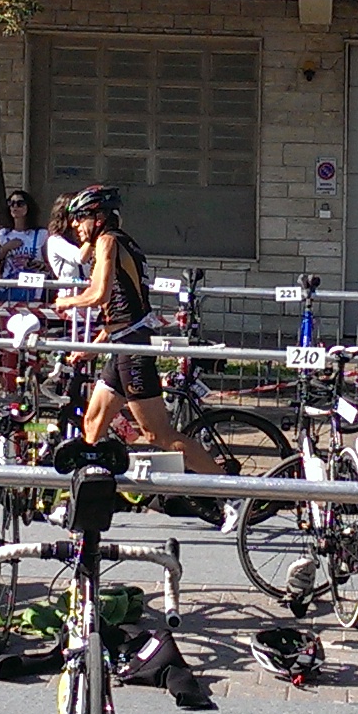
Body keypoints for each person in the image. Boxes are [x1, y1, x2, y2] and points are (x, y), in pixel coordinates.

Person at [45, 185, 223, 491]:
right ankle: (91, 493)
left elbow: (99, 294)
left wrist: (66, 301)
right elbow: (122, 309)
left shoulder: (108, 241)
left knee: (157, 434)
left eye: (80, 217)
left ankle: (229, 490)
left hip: (133, 347)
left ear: (99, 217)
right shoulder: (119, 242)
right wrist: (93, 348)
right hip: (123, 343)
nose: (74, 224)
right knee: (92, 424)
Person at [0, 189, 50, 304]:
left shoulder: (41, 234)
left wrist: (39, 265)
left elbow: (49, 264)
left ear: (28, 207)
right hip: (8, 286)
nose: (15, 207)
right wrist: (6, 247)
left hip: (33, 288)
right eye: (11, 203)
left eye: (20, 203)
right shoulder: (3, 234)